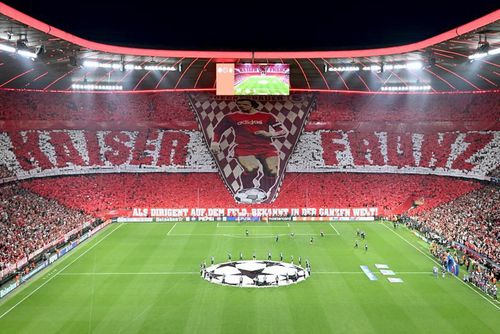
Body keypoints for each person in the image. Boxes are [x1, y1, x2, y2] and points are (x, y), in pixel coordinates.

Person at [210, 98, 288, 201]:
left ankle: (261, 192)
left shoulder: (267, 116)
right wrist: (215, 142)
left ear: (252, 105)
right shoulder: (231, 117)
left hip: (266, 147)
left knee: (272, 171)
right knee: (252, 168)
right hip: (244, 147)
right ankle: (246, 190)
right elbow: (218, 130)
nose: (241, 106)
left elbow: (282, 131)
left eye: (244, 104)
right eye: (239, 104)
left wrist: (270, 134)